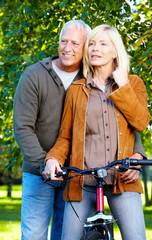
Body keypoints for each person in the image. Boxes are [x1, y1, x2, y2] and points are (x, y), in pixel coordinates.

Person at [43, 24, 150, 240]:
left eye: (102, 44)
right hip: (83, 182)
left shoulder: (133, 83)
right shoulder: (77, 89)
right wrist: (52, 158)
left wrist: (122, 86)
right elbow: (65, 136)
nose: (94, 48)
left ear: (115, 51)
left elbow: (140, 122)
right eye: (91, 43)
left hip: (123, 179)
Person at [13, 20, 91, 240]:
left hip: (76, 174)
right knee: (33, 236)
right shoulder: (34, 75)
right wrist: (44, 163)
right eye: (63, 41)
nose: (67, 48)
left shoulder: (90, 78)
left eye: (75, 44)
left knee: (66, 235)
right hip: (38, 173)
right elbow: (22, 127)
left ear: (85, 47)